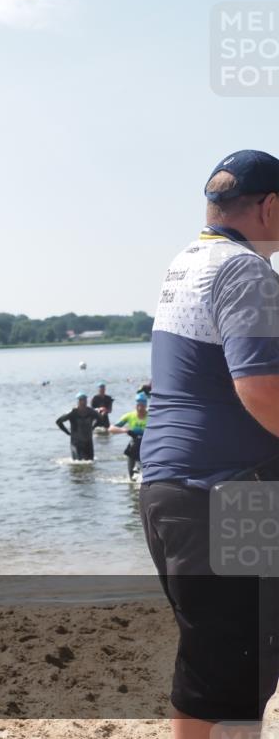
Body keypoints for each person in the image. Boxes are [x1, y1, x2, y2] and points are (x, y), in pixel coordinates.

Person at [141, 149, 279, 734]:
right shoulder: (245, 270)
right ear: (270, 208)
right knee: (228, 673)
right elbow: (261, 389)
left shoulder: (190, 261)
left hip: (174, 489)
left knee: (228, 668)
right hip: (225, 493)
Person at [109, 392, 148, 479]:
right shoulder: (130, 416)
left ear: (146, 406)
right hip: (133, 447)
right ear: (136, 405)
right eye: (139, 405)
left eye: (142, 406)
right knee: (131, 478)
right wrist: (125, 430)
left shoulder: (151, 416)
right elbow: (111, 428)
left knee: (144, 476)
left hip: (146, 448)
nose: (140, 408)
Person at [55, 392, 101, 460]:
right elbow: (58, 422)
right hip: (76, 443)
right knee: (77, 463)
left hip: (88, 442)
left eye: (85, 400)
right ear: (78, 402)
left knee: (90, 464)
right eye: (81, 400)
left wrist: (93, 427)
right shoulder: (72, 413)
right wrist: (67, 432)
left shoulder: (91, 412)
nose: (83, 403)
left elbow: (100, 419)